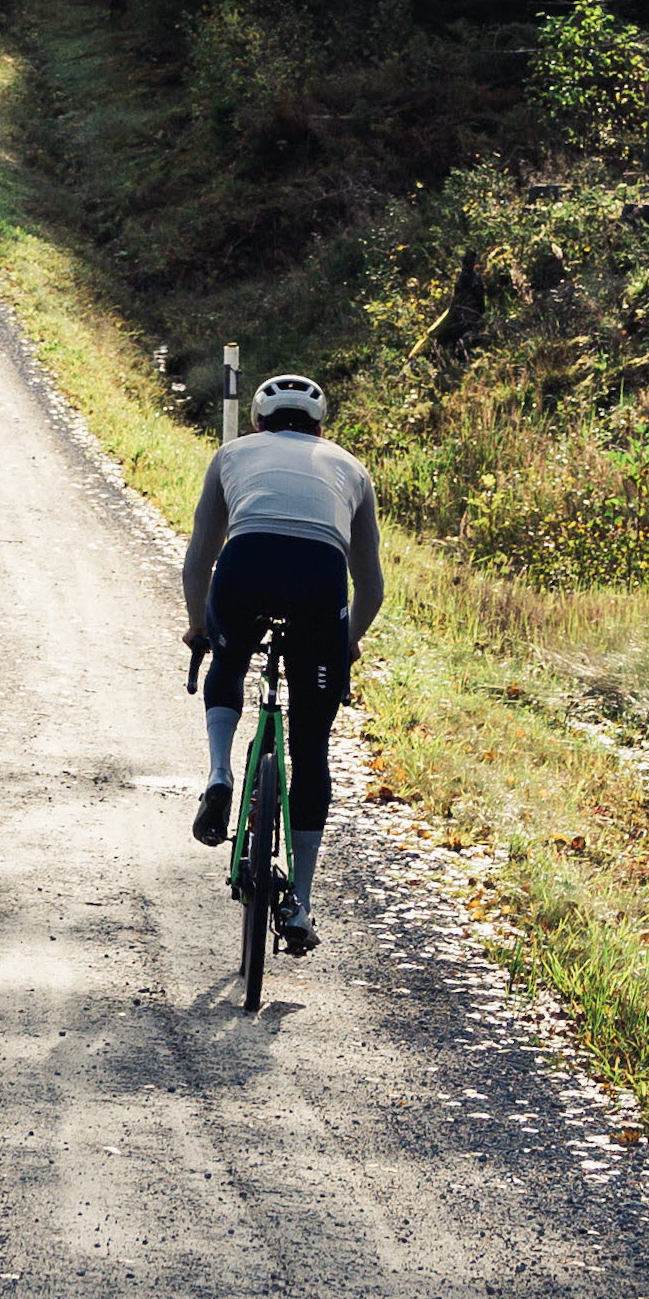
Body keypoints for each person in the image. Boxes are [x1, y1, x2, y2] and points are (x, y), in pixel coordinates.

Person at [181, 371, 383, 953]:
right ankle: (300, 904)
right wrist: (347, 641)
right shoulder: (351, 467)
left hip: (245, 567)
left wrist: (201, 626)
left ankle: (220, 774)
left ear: (257, 422)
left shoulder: (231, 454)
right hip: (319, 582)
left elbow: (200, 559)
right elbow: (370, 587)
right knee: (311, 749)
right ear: (321, 427)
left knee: (228, 654)